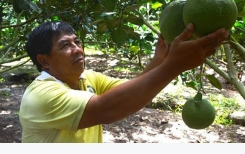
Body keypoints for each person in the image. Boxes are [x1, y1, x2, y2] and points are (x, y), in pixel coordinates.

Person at [19, 21, 229, 143]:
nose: (77, 49)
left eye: (77, 42)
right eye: (65, 45)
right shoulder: (41, 95)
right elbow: (107, 109)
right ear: (44, 61)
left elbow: (131, 92)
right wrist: (174, 65)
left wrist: (161, 60)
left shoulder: (87, 78)